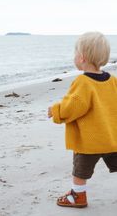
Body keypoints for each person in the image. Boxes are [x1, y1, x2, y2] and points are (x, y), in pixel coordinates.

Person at [48, 32, 117, 208]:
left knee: (80, 171)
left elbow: (74, 107)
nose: (74, 57)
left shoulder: (83, 82)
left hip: (89, 142)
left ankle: (78, 196)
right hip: (112, 139)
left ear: (82, 58)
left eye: (75, 54)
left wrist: (56, 111)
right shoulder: (112, 81)